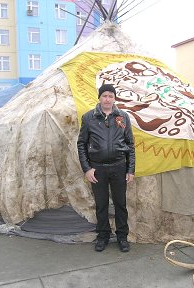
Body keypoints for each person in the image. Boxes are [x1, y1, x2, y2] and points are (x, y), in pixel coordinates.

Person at [77, 83, 135, 252]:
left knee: (120, 204)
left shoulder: (123, 117)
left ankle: (122, 237)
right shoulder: (89, 118)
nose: (107, 99)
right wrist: (87, 168)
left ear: (114, 98)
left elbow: (130, 145)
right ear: (99, 98)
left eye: (110, 96)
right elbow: (81, 144)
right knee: (101, 204)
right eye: (104, 96)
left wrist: (130, 170)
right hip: (98, 169)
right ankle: (103, 236)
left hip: (119, 167)